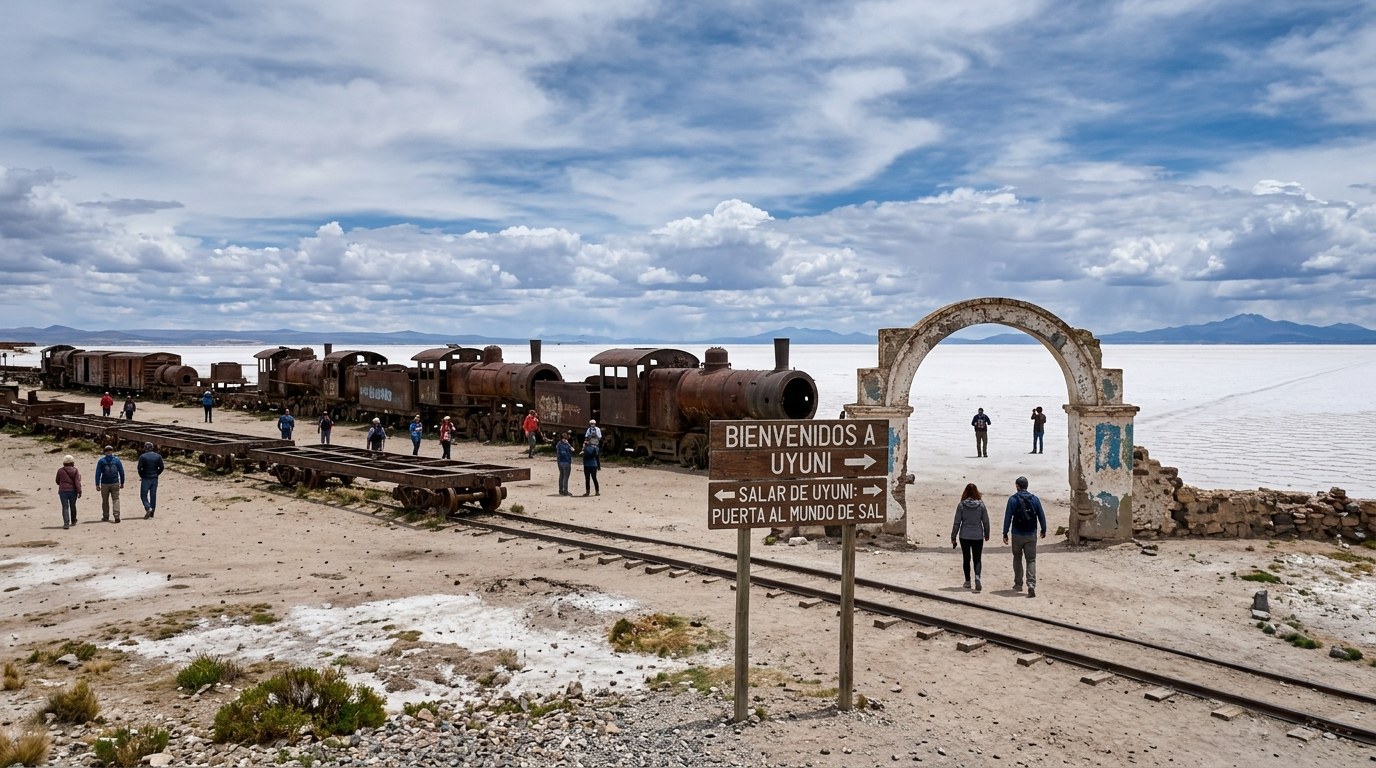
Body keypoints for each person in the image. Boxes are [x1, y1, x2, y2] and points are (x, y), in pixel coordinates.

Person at [1002, 476, 1048, 598]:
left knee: (1017, 558)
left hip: (1017, 534)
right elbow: (1041, 515)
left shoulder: (1012, 500)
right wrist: (1043, 529)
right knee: (1031, 560)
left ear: (1017, 486)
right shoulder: (1035, 499)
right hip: (1031, 534)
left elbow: (1008, 517)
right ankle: (1031, 584)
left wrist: (1005, 532)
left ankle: (1018, 583)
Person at [951, 483, 991, 592]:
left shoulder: (961, 505)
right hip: (978, 535)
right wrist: (987, 534)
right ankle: (977, 577)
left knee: (966, 558)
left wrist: (953, 536)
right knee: (977, 558)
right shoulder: (981, 505)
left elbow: (957, 523)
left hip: (964, 535)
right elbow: (986, 521)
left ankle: (967, 581)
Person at [94, 445, 125, 523]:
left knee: (105, 500)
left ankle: (106, 516)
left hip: (104, 483)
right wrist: (122, 482)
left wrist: (97, 484)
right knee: (116, 499)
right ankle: (117, 515)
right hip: (115, 482)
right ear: (112, 451)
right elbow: (121, 472)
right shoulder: (117, 460)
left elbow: (98, 473)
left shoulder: (101, 461)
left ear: (104, 452)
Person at [137, 442, 164, 519]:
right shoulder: (158, 456)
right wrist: (157, 474)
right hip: (154, 478)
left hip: (146, 478)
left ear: (145, 448)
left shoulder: (143, 457)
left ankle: (148, 508)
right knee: (153, 495)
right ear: (152, 448)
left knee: (143, 495)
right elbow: (161, 467)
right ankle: (152, 512)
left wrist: (142, 475)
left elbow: (139, 468)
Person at [56, 455, 82, 529]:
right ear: (72, 462)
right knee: (73, 505)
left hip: (63, 491)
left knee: (65, 507)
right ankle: (73, 521)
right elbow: (77, 482)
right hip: (72, 491)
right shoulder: (75, 470)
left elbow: (57, 481)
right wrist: (79, 491)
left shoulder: (60, 470)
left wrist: (62, 483)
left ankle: (66, 523)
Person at [555, 431, 573, 496]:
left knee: (561, 476)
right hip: (566, 462)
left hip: (559, 462)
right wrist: (568, 445)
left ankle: (560, 490)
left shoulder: (559, 444)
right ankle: (565, 491)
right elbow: (572, 450)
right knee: (566, 477)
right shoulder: (567, 444)